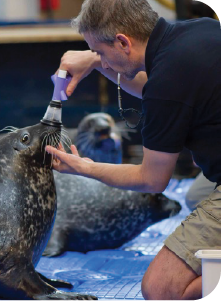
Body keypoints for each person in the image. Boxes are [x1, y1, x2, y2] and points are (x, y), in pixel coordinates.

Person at [44, 0, 221, 300]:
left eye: (100, 51)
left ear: (124, 41)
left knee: (162, 288)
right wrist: (96, 61)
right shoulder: (199, 31)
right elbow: (152, 86)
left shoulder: (166, 84)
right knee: (196, 196)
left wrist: (83, 167)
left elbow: (152, 179)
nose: (100, 59)